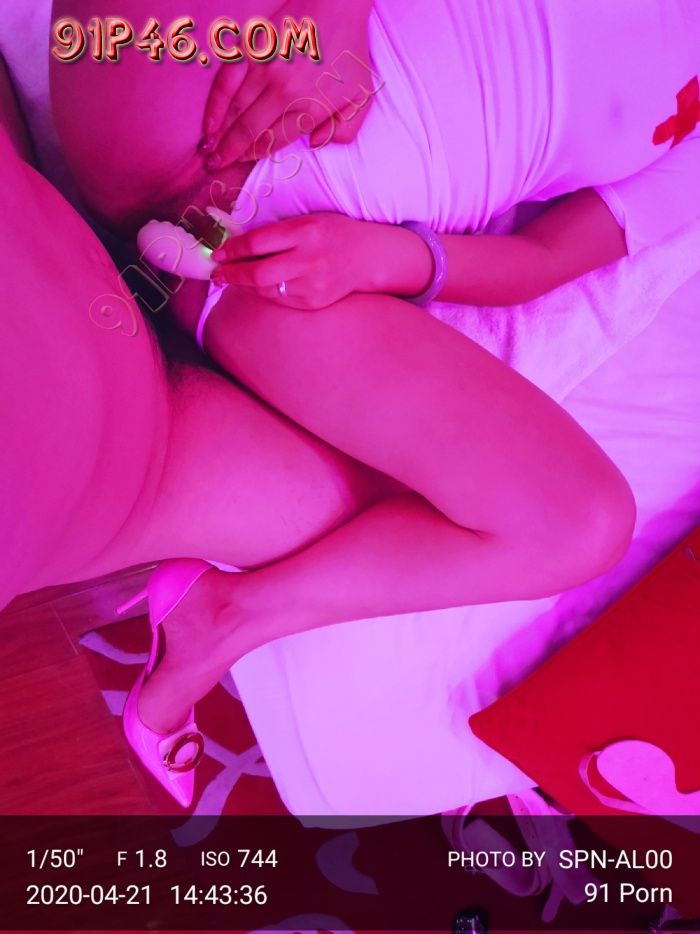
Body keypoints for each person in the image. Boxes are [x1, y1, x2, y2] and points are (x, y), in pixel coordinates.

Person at [52, 0, 698, 803]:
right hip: (211, 84)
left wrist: (385, 258)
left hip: (267, 262)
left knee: (579, 523)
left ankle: (225, 617)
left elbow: (544, 256)